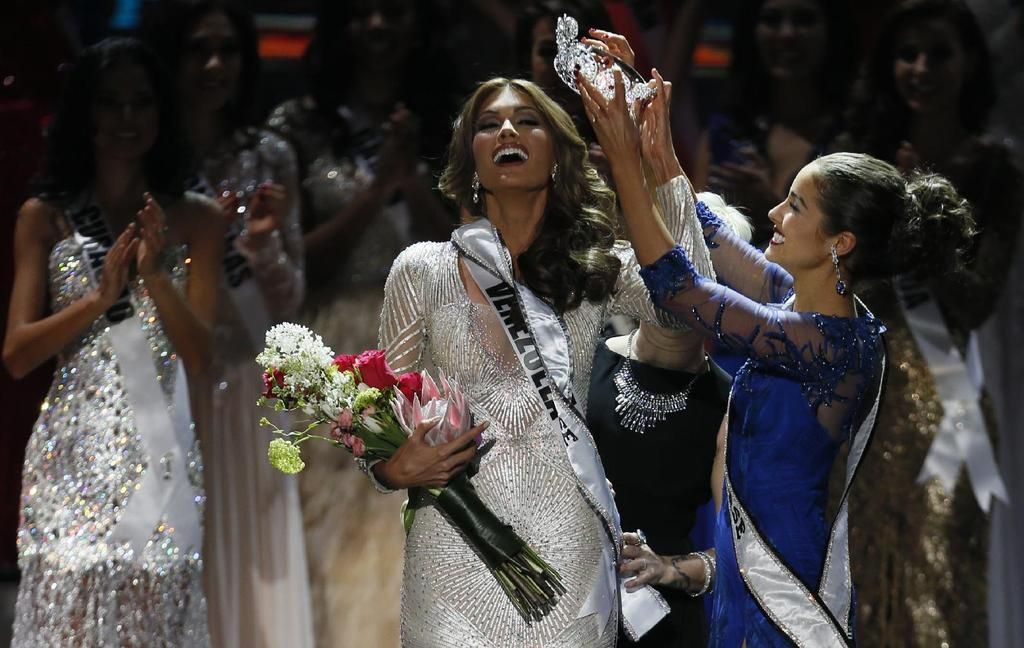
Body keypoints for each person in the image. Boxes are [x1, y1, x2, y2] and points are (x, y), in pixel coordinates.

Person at [578, 62, 975, 645]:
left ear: (840, 244)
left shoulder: (831, 347)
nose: (773, 215)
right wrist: (652, 146)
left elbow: (681, 289)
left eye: (794, 206)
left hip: (783, 578)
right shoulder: (795, 303)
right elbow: (706, 229)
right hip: (743, 568)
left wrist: (621, 162)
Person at [368, 75, 714, 646]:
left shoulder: (596, 266)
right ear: (470, 159)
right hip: (454, 543)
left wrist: (659, 161)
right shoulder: (421, 270)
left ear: (557, 152)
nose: (507, 129)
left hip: (567, 540)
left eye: (528, 120)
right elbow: (376, 417)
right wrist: (388, 470)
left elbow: (687, 309)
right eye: (488, 124)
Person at [2, 37, 224, 645]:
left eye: (142, 103)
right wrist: (97, 301)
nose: (126, 119)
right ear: (85, 112)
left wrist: (154, 276)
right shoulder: (43, 218)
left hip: (160, 451)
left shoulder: (197, 219)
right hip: (70, 454)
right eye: (110, 103)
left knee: (147, 628)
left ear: (161, 113)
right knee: (68, 625)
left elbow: (201, 356)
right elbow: (18, 354)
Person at [264, 1, 459, 643]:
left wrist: (412, 181)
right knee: (331, 530)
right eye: (363, 10)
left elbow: (473, 250)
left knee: (410, 533)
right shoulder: (299, 128)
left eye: (394, 10)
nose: (379, 24)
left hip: (428, 345)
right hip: (330, 351)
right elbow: (292, 258)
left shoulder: (450, 123)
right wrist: (378, 189)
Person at [835, 1, 1023, 644]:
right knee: (862, 579)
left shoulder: (996, 170)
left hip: (947, 401)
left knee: (941, 586)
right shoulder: (861, 163)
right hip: (861, 397)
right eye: (906, 54)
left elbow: (974, 302)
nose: (920, 69)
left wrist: (916, 217)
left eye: (938, 53)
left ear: (970, 62)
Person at [144, 3, 313, 646]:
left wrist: (262, 246)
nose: (215, 65)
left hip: (247, 387)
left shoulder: (269, 153)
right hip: (165, 387)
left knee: (255, 564)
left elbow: (290, 304)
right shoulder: (150, 156)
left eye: (228, 50)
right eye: (197, 49)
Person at [587, 194, 749, 647]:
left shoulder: (732, 404)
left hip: (656, 621)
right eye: (663, 267)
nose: (676, 289)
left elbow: (746, 555)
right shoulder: (579, 360)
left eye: (695, 276)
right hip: (555, 603)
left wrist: (669, 568)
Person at [693, 0, 859, 247]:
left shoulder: (855, 135)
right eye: (772, 19)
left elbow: (853, 245)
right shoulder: (724, 132)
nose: (787, 34)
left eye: (804, 19)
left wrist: (770, 203)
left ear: (831, 29)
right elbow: (691, 235)